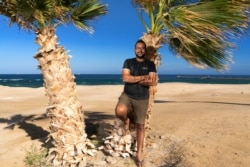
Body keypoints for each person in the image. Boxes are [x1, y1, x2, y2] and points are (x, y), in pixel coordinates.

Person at [115, 39, 157, 167]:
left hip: (142, 98)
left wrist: (135, 79)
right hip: (127, 95)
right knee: (120, 111)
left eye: (142, 48)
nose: (140, 50)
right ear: (134, 49)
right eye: (138, 48)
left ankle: (139, 153)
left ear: (145, 50)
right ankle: (127, 120)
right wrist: (143, 78)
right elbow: (125, 78)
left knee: (140, 126)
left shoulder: (150, 64)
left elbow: (152, 82)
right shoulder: (128, 62)